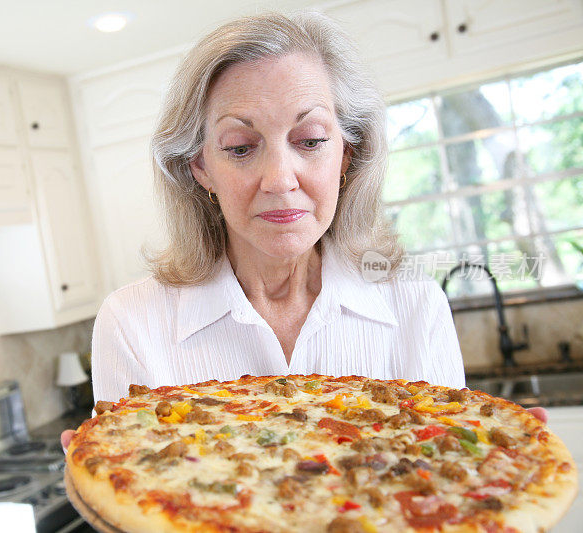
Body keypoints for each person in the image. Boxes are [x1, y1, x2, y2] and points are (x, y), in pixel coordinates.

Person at [62, 11, 546, 450]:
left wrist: (496, 477)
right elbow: (142, 504)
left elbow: (443, 487)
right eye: (239, 147)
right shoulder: (132, 323)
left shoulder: (416, 304)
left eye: (310, 140)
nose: (279, 180)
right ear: (199, 167)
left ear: (347, 155)